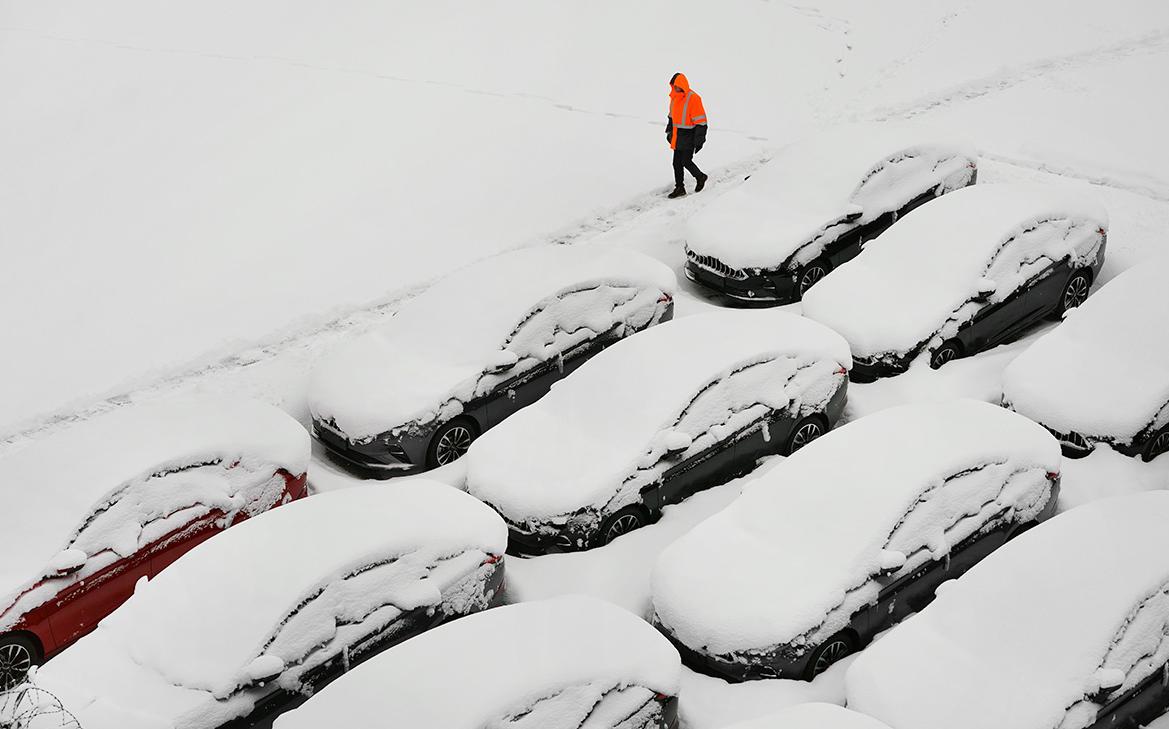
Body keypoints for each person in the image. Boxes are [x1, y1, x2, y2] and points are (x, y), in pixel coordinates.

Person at [664, 72, 708, 199]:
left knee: (686, 161)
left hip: (690, 135)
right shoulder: (674, 98)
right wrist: (669, 131)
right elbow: (671, 116)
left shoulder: (693, 98)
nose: (675, 88)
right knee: (676, 163)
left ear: (682, 85)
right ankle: (680, 188)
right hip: (678, 135)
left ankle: (700, 177)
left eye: (677, 85)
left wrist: (699, 140)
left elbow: (701, 122)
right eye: (673, 86)